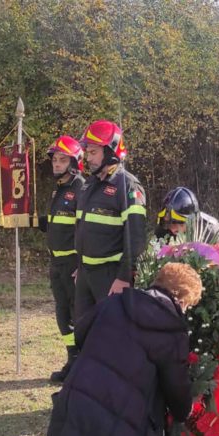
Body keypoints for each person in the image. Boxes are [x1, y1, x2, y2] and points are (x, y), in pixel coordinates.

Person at [45, 262, 202, 436]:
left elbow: (81, 332)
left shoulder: (115, 302)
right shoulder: (172, 331)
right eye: (187, 305)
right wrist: (185, 410)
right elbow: (176, 386)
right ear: (180, 299)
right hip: (124, 417)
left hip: (83, 398)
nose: (184, 310)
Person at [74, 120, 147, 320]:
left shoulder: (128, 186)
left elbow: (136, 237)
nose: (88, 158)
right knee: (83, 329)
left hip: (111, 276)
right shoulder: (89, 184)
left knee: (112, 331)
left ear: (110, 151)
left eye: (93, 152)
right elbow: (82, 229)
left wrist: (124, 277)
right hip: (85, 274)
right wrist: (80, 266)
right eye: (87, 152)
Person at [38, 135, 86, 382]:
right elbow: (59, 222)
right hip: (56, 263)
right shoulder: (59, 189)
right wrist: (36, 222)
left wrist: (81, 263)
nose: (56, 164)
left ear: (75, 162)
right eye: (55, 159)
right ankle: (72, 359)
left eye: (62, 160)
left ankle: (84, 364)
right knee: (62, 314)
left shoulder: (81, 189)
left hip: (73, 265)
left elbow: (86, 229)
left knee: (78, 315)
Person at [154, 186, 219, 274]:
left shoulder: (210, 232)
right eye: (168, 223)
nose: (173, 229)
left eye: (178, 223)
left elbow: (217, 269)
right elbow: (157, 257)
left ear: (191, 220)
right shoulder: (163, 229)